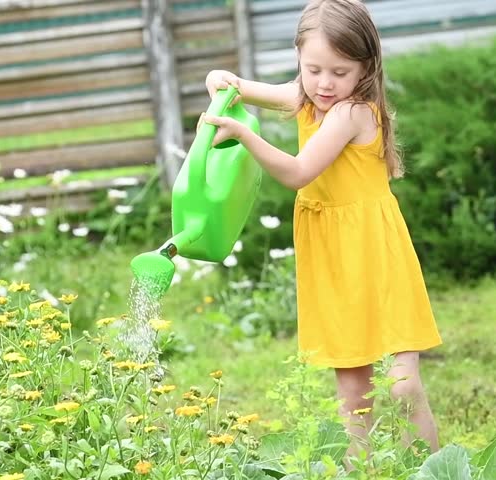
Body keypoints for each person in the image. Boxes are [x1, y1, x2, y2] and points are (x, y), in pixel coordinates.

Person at [200, 0, 442, 456]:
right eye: (313, 70)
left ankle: (428, 468)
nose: (325, 83)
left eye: (340, 71)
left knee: (401, 387)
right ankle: (361, 470)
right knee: (353, 396)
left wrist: (246, 135)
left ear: (365, 69)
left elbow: (297, 173)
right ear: (299, 60)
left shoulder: (353, 112)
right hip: (332, 255)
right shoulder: (307, 96)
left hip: (373, 250)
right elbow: (238, 86)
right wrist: (221, 81)